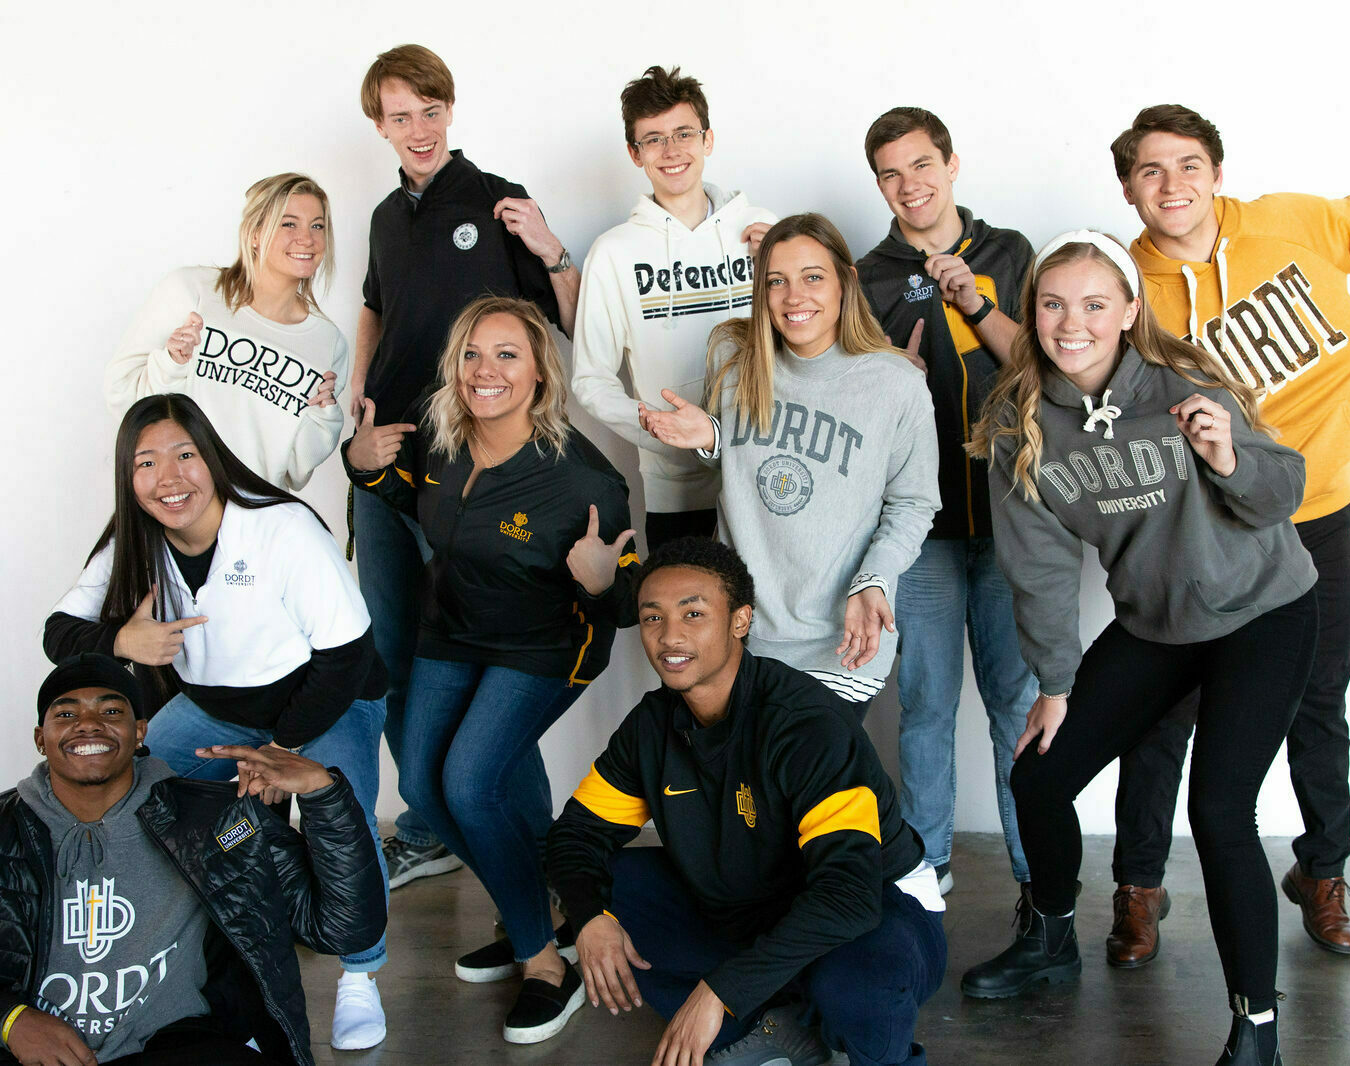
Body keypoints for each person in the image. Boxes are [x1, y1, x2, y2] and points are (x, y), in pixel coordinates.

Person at [960, 231, 1318, 1066]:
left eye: (1094, 304)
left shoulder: (1186, 380)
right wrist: (1056, 685)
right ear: (1031, 313)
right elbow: (1040, 570)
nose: (1071, 323)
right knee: (1039, 774)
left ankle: (1256, 1029)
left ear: (1128, 311)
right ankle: (1051, 938)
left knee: (1219, 811)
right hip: (1158, 626)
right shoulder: (1019, 425)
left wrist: (1227, 455)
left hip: (1262, 613)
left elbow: (1281, 493)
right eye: (1053, 304)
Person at [1105, 104, 1350, 965]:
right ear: (1128, 188)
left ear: (1217, 172)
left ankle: (1322, 872)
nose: (1172, 184)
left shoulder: (1292, 221)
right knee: (1163, 712)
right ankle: (1139, 886)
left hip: (1314, 517)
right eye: (1150, 170)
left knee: (1319, 700)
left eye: (1189, 165)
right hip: (1203, 536)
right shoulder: (1124, 285)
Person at [43, 394, 392, 1051]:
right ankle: (188, 961)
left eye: (184, 455)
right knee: (140, 793)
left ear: (213, 457)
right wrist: (122, 641)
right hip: (219, 707)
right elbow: (58, 632)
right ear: (128, 476)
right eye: (146, 462)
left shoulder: (281, 527)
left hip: (329, 699)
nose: (168, 478)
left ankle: (360, 973)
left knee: (343, 813)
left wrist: (282, 751)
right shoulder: (135, 541)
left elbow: (348, 657)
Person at [344, 295, 639, 1045]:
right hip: (454, 631)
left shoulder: (583, 479)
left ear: (541, 373)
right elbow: (408, 497)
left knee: (471, 784)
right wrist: (360, 465)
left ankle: (544, 963)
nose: (486, 370)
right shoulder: (441, 438)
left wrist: (603, 581)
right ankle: (535, 914)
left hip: (546, 647)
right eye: (473, 354)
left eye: (508, 354)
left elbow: (631, 601)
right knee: (420, 785)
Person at [546, 538, 947, 1066]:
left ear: (740, 621)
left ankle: (857, 1039)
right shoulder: (650, 727)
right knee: (608, 889)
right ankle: (776, 1023)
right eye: (652, 617)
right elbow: (575, 836)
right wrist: (590, 918)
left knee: (854, 987)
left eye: (693, 614)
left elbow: (847, 895)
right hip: (756, 902)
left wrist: (720, 990)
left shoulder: (805, 725)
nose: (670, 636)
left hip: (879, 904)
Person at [354, 43, 583, 891]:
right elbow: (375, 306)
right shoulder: (385, 216)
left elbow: (569, 322)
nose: (418, 129)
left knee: (490, 658)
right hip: (384, 463)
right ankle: (429, 825)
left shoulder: (496, 199)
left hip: (470, 466)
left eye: (430, 110)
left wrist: (552, 247)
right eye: (399, 116)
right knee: (392, 651)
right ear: (380, 125)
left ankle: (532, 853)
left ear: (449, 111)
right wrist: (358, 398)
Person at [1, 653, 385, 1066]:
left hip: (176, 1044)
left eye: (111, 711)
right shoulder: (6, 828)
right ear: (40, 738)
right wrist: (10, 1019)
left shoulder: (215, 820)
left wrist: (321, 794)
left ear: (139, 732)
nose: (89, 723)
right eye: (66, 714)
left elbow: (345, 931)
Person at [640, 213, 939, 712]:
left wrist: (875, 579)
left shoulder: (895, 384)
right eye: (776, 281)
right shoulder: (735, 359)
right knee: (734, 765)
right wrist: (712, 439)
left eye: (812, 277)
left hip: (841, 645)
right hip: (740, 640)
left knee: (805, 764)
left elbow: (913, 503)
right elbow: (748, 471)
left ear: (846, 281)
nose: (794, 296)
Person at [855, 106, 1036, 898]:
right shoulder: (866, 276)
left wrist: (974, 305)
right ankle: (926, 871)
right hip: (920, 529)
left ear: (952, 164)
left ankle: (1037, 870)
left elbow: (1043, 365)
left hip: (1013, 520)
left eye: (922, 165)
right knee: (925, 705)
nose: (909, 186)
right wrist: (888, 379)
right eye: (890, 174)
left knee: (1016, 704)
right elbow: (851, 403)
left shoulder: (1008, 252)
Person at [571, 65, 776, 548]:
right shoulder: (613, 253)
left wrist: (785, 262)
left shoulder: (763, 229)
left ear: (708, 139)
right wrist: (661, 431)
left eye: (684, 133)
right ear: (635, 153)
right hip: (678, 493)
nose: (672, 150)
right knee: (681, 600)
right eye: (654, 139)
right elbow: (590, 379)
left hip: (770, 472)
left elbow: (810, 335)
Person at [104, 173, 346, 492]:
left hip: (257, 511)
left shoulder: (328, 342)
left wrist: (326, 419)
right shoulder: (192, 291)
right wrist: (173, 364)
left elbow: (294, 472)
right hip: (177, 500)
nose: (307, 238)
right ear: (255, 233)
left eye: (317, 226)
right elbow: (122, 396)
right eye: (288, 223)